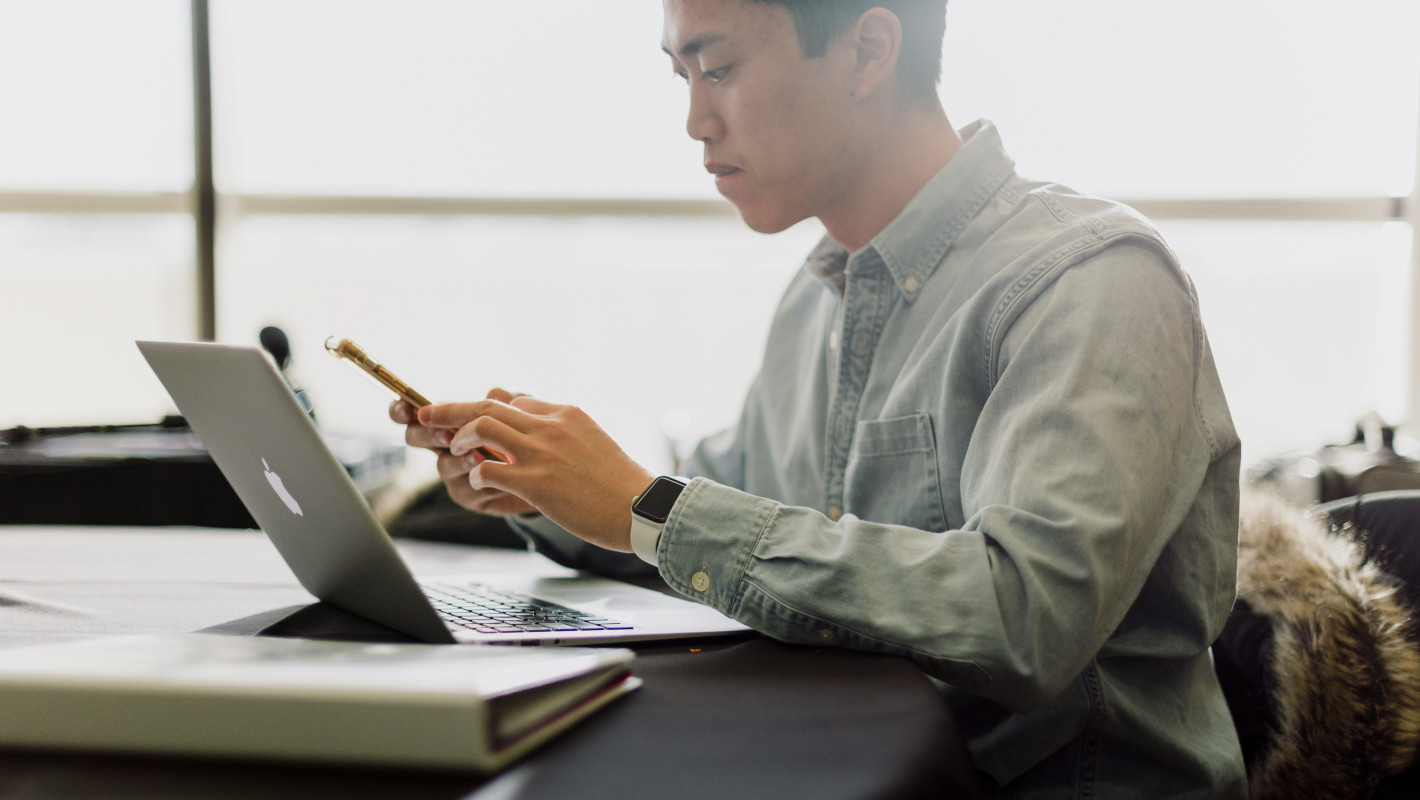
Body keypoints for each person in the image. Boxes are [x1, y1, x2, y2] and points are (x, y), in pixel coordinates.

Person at [392, 1, 1246, 796]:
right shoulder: (815, 301)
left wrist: (647, 507)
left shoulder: (1089, 281)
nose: (694, 121)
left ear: (868, 51)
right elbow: (716, 535)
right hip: (844, 766)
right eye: (681, 77)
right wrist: (548, 490)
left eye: (717, 70)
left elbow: (1024, 617)